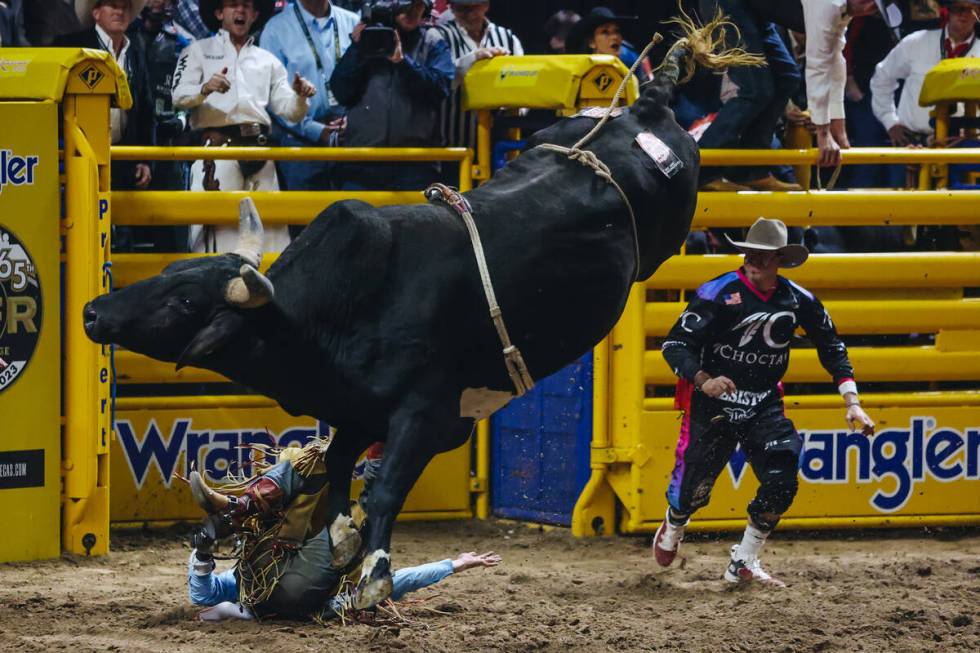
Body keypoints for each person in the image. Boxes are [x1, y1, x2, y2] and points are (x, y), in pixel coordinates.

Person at [653, 217, 875, 586]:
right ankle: (676, 521)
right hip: (715, 405)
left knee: (782, 478)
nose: (754, 260)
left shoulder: (798, 299)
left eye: (764, 255)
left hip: (764, 402)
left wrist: (851, 400)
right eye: (751, 254)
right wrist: (703, 379)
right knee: (693, 488)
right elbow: (676, 344)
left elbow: (831, 345)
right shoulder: (717, 293)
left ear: (779, 261)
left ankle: (744, 560)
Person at [185, 452, 501, 621]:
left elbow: (203, 595)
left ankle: (240, 505)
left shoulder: (242, 583)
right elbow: (395, 582)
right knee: (348, 497)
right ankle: (242, 504)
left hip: (271, 577)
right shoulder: (335, 597)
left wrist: (202, 556)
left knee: (318, 467)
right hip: (298, 592)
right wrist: (452, 565)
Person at [171, 0, 317, 254]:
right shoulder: (197, 51)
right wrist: (204, 89)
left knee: (271, 239)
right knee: (218, 240)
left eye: (247, 6)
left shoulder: (267, 60)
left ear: (255, 15)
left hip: (260, 156)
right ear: (219, 12)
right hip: (216, 155)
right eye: (233, 5)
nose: (241, 11)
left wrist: (301, 96)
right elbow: (178, 96)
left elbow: (290, 111)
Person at [56, 1, 156, 252]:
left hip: (121, 156)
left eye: (124, 6)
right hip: (78, 155)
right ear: (96, 12)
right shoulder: (70, 46)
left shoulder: (136, 49)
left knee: (119, 232)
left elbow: (145, 109)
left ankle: (117, 285)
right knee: (79, 225)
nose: (119, 11)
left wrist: (145, 159)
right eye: (112, 5)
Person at [329, 0, 454, 190]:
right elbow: (341, 92)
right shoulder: (367, 40)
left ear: (426, 8)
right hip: (362, 162)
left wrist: (403, 63)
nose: (411, 12)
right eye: (406, 5)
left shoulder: (432, 41)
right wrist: (357, 49)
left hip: (415, 164)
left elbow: (440, 90)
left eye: (418, 5)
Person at [693, 1, 803, 192]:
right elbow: (825, 54)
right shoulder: (832, 7)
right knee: (754, 90)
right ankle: (700, 172)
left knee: (786, 78)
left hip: (757, 9)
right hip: (728, 3)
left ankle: (751, 170)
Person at [259, 0, 360, 199]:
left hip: (350, 138)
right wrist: (315, 131)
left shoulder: (352, 22)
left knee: (354, 220)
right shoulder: (275, 29)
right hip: (299, 144)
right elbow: (271, 94)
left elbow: (367, 79)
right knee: (308, 224)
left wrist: (356, 120)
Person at [871, 0, 980, 149]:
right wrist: (890, 121)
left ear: (978, 13)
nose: (963, 14)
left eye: (970, 10)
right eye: (958, 8)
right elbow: (881, 78)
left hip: (962, 145)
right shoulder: (916, 42)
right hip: (910, 143)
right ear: (948, 10)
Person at [434, 0, 523, 150]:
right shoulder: (440, 36)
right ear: (452, 8)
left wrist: (512, 104)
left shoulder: (507, 37)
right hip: (452, 145)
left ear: (486, 6)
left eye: (475, 8)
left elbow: (524, 82)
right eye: (463, 9)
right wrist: (473, 58)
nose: (470, 15)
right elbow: (439, 81)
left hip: (499, 144)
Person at [565, 7, 652, 83]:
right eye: (605, 32)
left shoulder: (632, 63)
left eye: (617, 31)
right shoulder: (579, 71)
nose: (615, 37)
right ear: (592, 42)